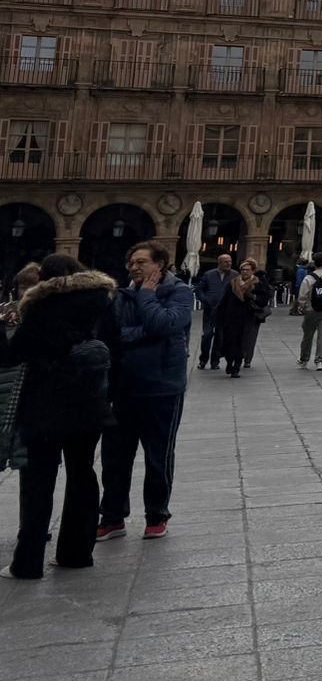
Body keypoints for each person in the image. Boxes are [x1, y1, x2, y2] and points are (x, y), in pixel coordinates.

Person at [3, 255, 118, 578]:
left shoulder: (41, 306)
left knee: (38, 481)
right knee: (82, 474)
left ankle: (27, 563)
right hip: (89, 404)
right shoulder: (104, 301)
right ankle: (76, 553)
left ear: (45, 278)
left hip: (45, 406)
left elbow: (11, 356)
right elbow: (115, 347)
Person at [98, 240, 195, 542]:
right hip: (124, 387)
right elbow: (113, 335)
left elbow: (163, 322)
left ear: (160, 264)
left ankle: (157, 515)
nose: (134, 267)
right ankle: (113, 517)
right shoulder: (121, 295)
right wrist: (147, 332)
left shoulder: (180, 292)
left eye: (141, 262)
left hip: (163, 387)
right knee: (115, 457)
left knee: (158, 456)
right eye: (131, 263)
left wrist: (147, 296)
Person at [215, 263, 268, 378]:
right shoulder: (233, 283)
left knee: (243, 342)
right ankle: (229, 362)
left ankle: (236, 367)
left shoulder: (257, 284)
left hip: (247, 317)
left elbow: (264, 300)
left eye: (247, 270)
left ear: (252, 271)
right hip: (231, 316)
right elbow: (224, 299)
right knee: (229, 341)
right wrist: (219, 314)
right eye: (243, 270)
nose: (244, 272)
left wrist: (253, 297)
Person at [194, 254, 234, 370]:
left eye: (230, 261)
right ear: (220, 263)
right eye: (226, 262)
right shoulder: (209, 275)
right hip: (210, 310)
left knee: (220, 337)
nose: (228, 264)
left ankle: (215, 361)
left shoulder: (234, 275)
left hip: (224, 312)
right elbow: (199, 290)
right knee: (207, 335)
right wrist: (205, 300)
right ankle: (203, 360)